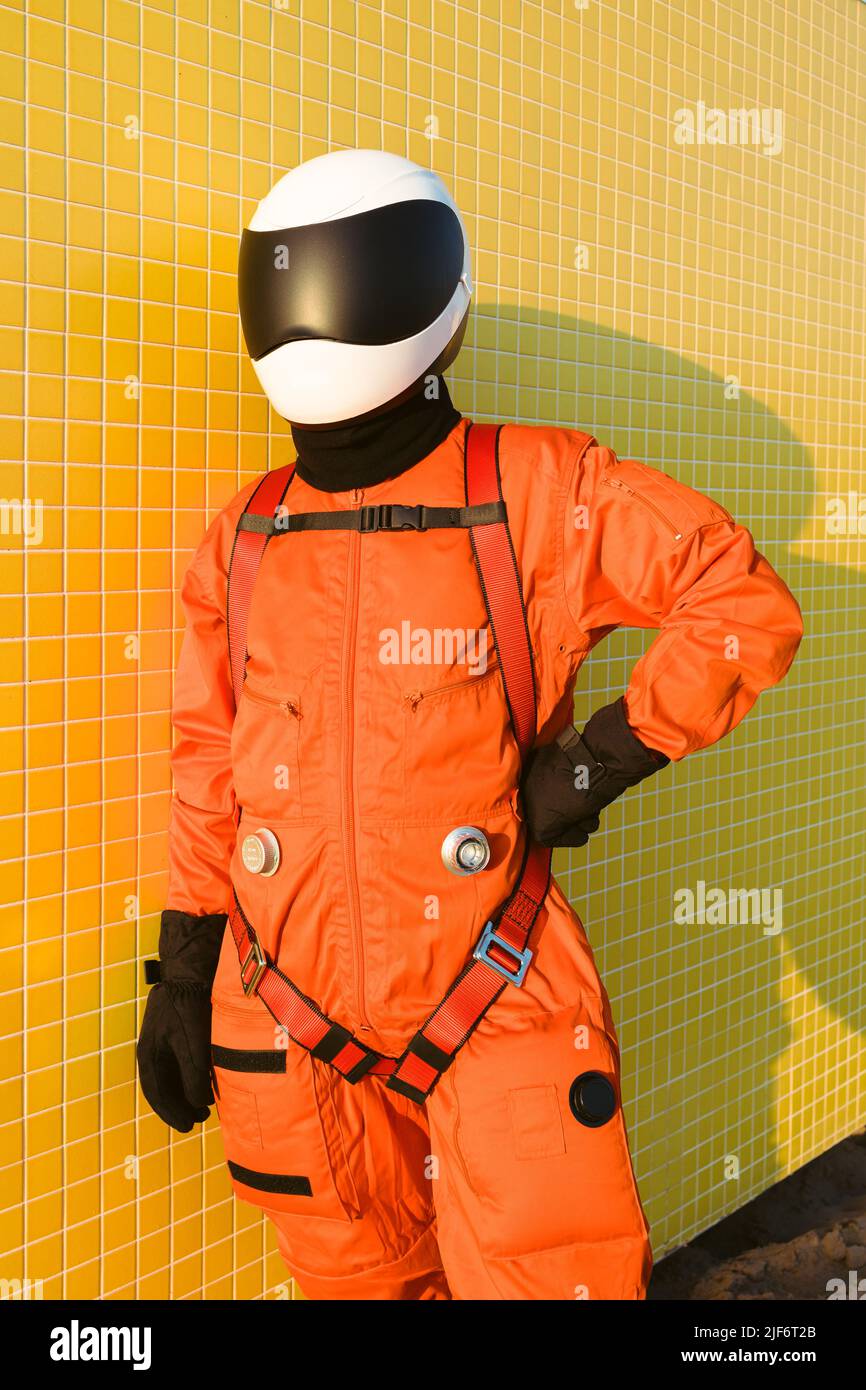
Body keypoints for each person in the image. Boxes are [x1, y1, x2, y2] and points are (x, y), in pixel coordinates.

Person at [137, 150, 803, 1301]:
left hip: (490, 997)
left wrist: (594, 765)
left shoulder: (532, 491)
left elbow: (736, 604)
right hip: (289, 1024)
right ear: (443, 309)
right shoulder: (244, 538)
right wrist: (186, 967)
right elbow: (212, 764)